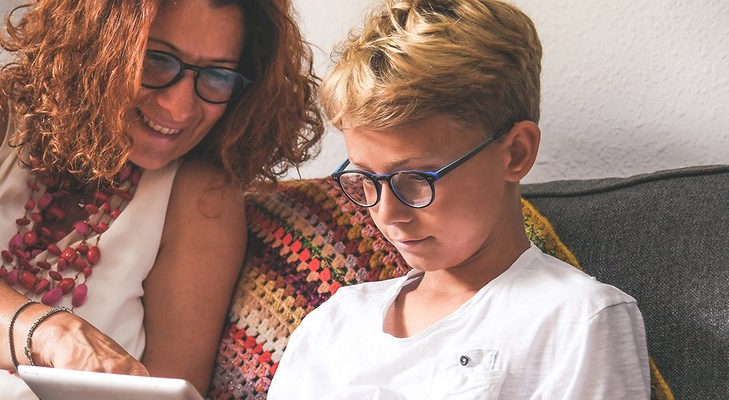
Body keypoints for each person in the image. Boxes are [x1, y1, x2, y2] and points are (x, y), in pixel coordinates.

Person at [0, 0, 323, 398]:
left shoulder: (202, 199)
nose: (182, 107)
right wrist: (56, 332)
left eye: (218, 76)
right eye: (157, 60)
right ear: (95, 42)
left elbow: (166, 391)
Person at [267, 0, 651, 398]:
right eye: (365, 179)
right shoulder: (335, 323)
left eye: (414, 178)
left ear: (515, 153)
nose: (386, 212)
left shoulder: (575, 318)